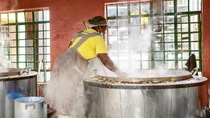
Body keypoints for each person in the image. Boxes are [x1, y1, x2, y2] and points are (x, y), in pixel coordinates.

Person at [44, 16, 126, 118]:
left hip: (60, 61)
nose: (104, 32)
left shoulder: (80, 34)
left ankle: (55, 115)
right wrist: (120, 73)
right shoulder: (97, 37)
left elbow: (71, 48)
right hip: (71, 66)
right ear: (99, 27)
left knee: (57, 93)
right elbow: (105, 60)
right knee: (68, 95)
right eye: (104, 29)